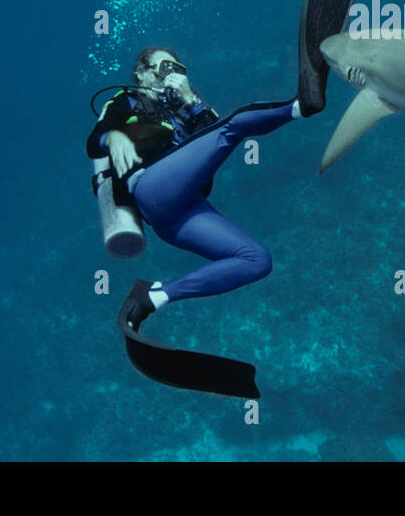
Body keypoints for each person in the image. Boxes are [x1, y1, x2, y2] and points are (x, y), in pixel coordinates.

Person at [87, 45, 309, 330]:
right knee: (233, 128)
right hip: (151, 189)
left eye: (177, 69)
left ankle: (154, 295)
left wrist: (191, 99)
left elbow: (215, 137)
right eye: (164, 68)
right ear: (142, 73)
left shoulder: (187, 110)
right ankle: (298, 107)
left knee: (256, 261)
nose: (172, 75)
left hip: (177, 217)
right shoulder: (126, 100)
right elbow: (94, 141)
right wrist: (113, 139)